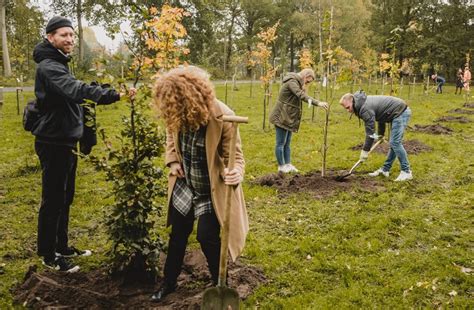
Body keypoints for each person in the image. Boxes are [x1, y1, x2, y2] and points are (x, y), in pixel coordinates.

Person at [32, 17, 136, 272]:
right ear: (50, 37)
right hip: (53, 141)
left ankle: (62, 246)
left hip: (66, 139)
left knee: (65, 197)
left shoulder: (59, 62)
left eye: (71, 35)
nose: (69, 39)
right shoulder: (48, 66)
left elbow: (78, 90)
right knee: (53, 198)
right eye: (63, 35)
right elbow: (75, 90)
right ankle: (48, 254)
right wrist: (113, 95)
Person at [150, 67, 249, 302]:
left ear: (190, 98)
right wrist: (173, 161)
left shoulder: (222, 117)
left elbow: (236, 156)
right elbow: (170, 137)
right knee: (178, 234)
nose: (172, 110)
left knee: (207, 236)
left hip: (209, 189)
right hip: (186, 184)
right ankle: (169, 282)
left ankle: (220, 284)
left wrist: (236, 172)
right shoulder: (177, 112)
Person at [339, 91, 413, 181]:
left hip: (400, 112)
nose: (348, 111)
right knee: (394, 143)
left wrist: (365, 151)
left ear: (352, 101)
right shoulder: (361, 103)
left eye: (348, 107)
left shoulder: (364, 108)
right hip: (393, 112)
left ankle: (406, 171)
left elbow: (370, 133)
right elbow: (381, 115)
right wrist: (381, 134)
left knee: (395, 142)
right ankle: (385, 170)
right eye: (345, 109)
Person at [269, 69, 328, 173]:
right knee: (280, 143)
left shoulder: (297, 82)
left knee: (287, 143)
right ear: (305, 76)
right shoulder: (292, 82)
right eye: (308, 81)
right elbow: (300, 95)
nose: (307, 83)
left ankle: (288, 164)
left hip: (288, 116)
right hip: (281, 115)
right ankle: (281, 167)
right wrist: (317, 103)